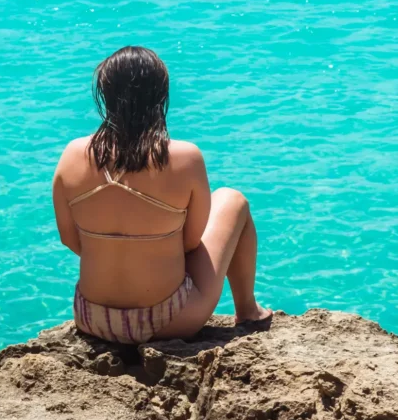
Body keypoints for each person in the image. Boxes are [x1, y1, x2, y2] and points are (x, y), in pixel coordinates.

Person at [52, 46, 271, 344]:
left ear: (105, 95)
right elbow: (192, 242)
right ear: (160, 96)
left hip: (92, 318)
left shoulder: (72, 154)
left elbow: (69, 239)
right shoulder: (185, 157)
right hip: (167, 321)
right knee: (233, 199)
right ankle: (248, 311)